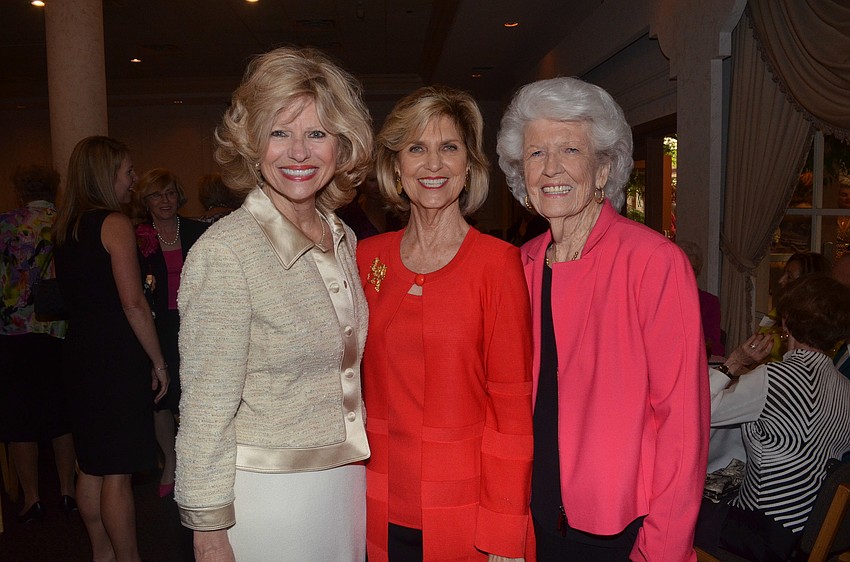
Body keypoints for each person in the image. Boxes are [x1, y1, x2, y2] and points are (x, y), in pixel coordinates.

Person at [496, 76, 708, 561]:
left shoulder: (653, 261)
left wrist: (663, 549)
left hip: (619, 528)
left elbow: (683, 427)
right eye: (535, 154)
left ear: (602, 168)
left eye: (570, 149)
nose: (551, 168)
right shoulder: (519, 265)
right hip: (533, 516)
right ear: (520, 174)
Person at [175, 46, 373, 562]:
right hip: (267, 496)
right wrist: (209, 529)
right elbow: (204, 408)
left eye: (317, 133)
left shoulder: (341, 235)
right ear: (252, 142)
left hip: (345, 484)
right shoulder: (225, 252)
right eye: (279, 132)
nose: (299, 152)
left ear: (342, 145)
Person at [357, 85, 534, 562]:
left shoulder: (498, 265)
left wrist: (504, 530)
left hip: (467, 506)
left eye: (449, 147)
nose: (433, 164)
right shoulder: (364, 258)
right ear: (396, 166)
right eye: (417, 148)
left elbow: (512, 410)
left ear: (469, 166)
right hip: (374, 499)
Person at [53, 136, 169, 562]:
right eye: (127, 171)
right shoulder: (114, 224)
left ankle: (101, 555)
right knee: (117, 472)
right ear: (105, 175)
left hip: (79, 353)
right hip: (115, 358)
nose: (134, 180)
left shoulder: (65, 227)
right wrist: (158, 361)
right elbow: (133, 302)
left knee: (91, 467)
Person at [701, 274, 850, 561]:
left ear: (787, 321)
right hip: (809, 527)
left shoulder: (775, 378)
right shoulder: (845, 387)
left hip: (763, 530)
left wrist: (734, 362)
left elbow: (696, 411)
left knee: (667, 506)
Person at [0, 164, 77, 524]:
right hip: (57, 330)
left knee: (19, 419)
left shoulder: (5, 225)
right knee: (60, 413)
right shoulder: (65, 222)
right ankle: (67, 491)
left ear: (20, 191)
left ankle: (32, 498)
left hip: (12, 332)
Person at [129, 168, 208, 498]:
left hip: (198, 322)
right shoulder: (136, 236)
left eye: (171, 193)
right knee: (162, 398)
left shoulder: (197, 231)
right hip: (157, 325)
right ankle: (172, 461)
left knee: (196, 392)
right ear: (145, 201)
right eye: (156, 195)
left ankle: (198, 460)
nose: (165, 201)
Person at [759, 251, 832, 362]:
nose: (780, 281)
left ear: (807, 283)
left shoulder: (822, 324)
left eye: (789, 277)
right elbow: (760, 337)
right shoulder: (779, 310)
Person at [678, 240, 725, 356]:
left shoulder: (709, 303)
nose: (686, 271)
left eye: (692, 268)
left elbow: (713, 345)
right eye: (682, 266)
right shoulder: (658, 299)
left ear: (698, 272)